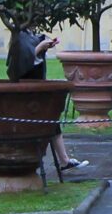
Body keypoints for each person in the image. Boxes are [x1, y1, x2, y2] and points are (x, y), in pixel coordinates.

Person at [6, 19, 87, 171]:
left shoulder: (28, 35)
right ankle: (61, 160)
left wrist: (45, 46)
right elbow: (19, 65)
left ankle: (64, 160)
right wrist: (39, 48)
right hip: (28, 91)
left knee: (52, 121)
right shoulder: (20, 37)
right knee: (49, 121)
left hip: (37, 87)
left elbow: (32, 56)